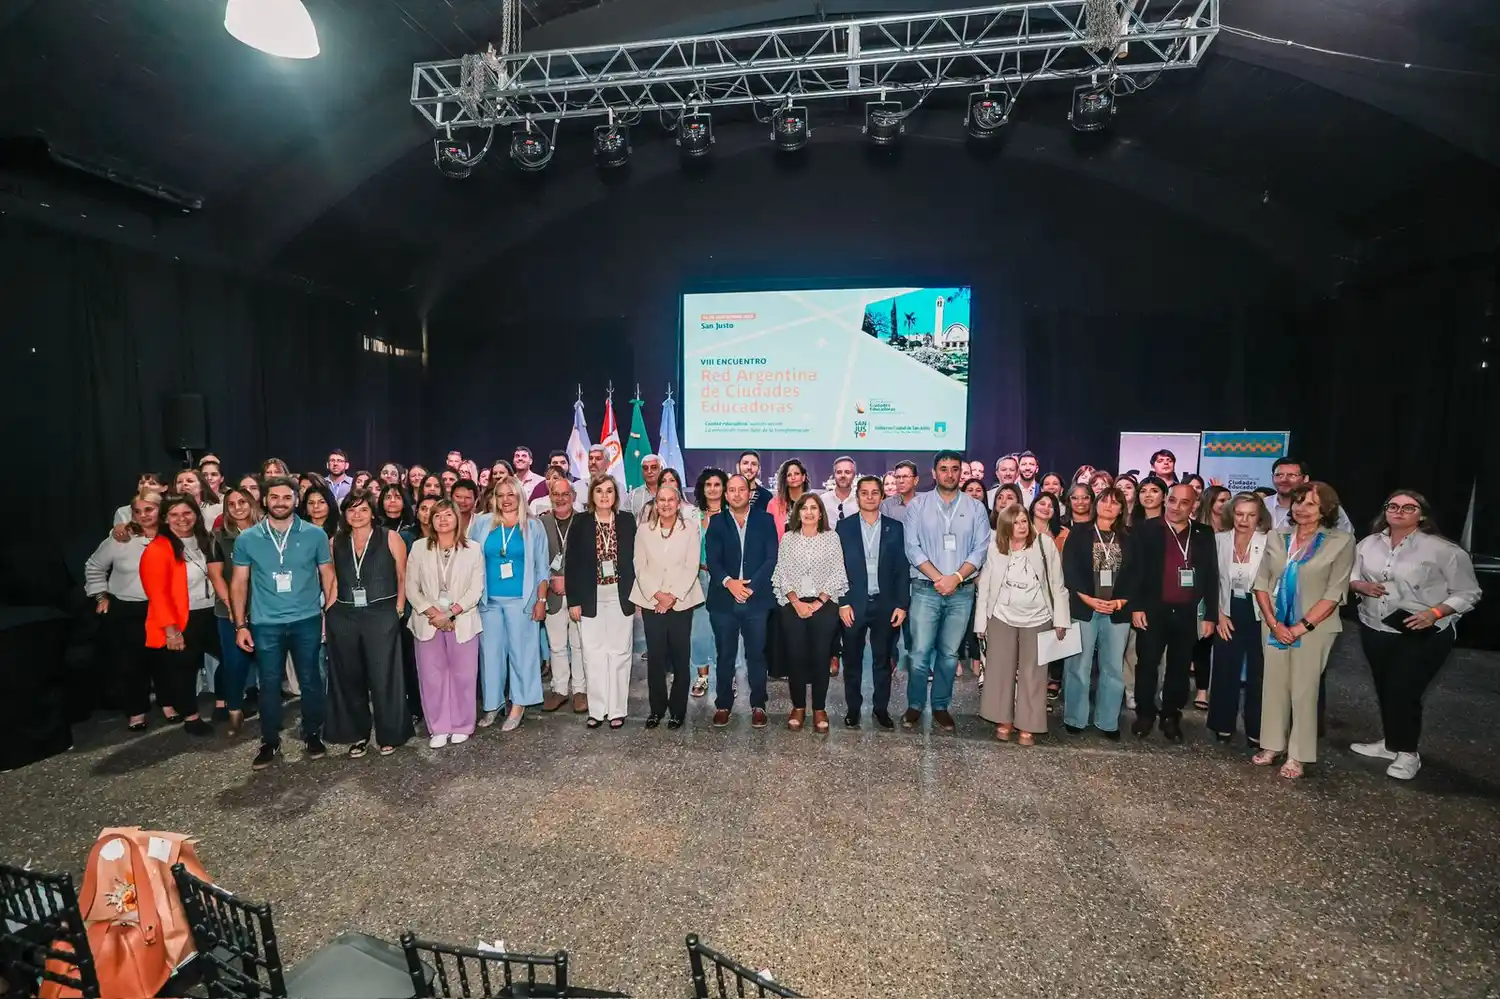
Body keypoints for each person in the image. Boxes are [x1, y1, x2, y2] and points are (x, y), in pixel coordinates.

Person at [1348, 490, 1481, 780]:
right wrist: (1360, 586)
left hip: (1422, 631)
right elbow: (1350, 576)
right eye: (1392, 506)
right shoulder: (1368, 543)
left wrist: (1435, 613)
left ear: (1421, 514)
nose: (1399, 511)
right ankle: (1391, 743)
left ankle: (1408, 754)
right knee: (1384, 686)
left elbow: (1469, 593)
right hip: (1375, 627)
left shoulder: (1443, 549)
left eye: (1408, 508)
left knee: (1404, 691)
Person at [230, 476, 336, 771]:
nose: (280, 502)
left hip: (307, 620)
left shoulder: (314, 534)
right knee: (269, 684)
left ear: (295, 500)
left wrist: (329, 614)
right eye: (274, 497)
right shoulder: (247, 538)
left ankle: (312, 733)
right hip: (266, 624)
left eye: (286, 497)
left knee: (312, 680)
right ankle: (270, 740)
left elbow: (328, 576)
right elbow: (239, 583)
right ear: (264, 500)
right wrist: (241, 625)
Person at [1251, 482, 1355, 778]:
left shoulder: (1340, 541)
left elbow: (1335, 592)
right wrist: (1273, 623)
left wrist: (1299, 628)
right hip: (1274, 624)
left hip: (1315, 628)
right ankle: (1271, 744)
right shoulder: (1277, 536)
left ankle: (1298, 754)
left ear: (1326, 509)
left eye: (1310, 503)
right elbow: (1261, 583)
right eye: (1298, 502)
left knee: (1304, 690)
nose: (1301, 508)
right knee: (1273, 685)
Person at [1119, 483, 1219, 743]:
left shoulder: (1204, 533)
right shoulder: (1145, 530)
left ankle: (1171, 715)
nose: (1175, 507)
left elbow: (1211, 576)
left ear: (1194, 505)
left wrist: (1210, 615)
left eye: (1183, 502)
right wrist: (1136, 606)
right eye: (1172, 500)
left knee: (1179, 668)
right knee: (1147, 664)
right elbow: (1134, 572)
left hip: (1187, 613)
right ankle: (1144, 714)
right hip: (1152, 610)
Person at [903, 450, 992, 732]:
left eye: (955, 469)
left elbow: (980, 550)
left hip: (961, 592)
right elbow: (912, 548)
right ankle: (915, 705)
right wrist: (940, 578)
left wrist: (954, 578)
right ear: (934, 473)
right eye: (944, 469)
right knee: (918, 654)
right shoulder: (918, 505)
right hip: (925, 589)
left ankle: (940, 706)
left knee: (949, 654)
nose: (950, 474)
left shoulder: (976, 508)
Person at [324, 490, 410, 758]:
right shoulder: (335, 542)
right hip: (345, 614)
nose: (357, 515)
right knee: (351, 677)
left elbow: (402, 575)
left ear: (373, 512)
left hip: (381, 612)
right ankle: (358, 734)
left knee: (384, 677)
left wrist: (398, 609)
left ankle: (390, 734)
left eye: (362, 509)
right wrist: (329, 615)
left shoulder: (390, 537)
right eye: (351, 510)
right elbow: (334, 581)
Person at [976, 500, 1069, 745]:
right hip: (1001, 616)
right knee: (999, 670)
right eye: (1015, 522)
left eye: (1024, 520)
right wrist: (980, 624)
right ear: (1005, 526)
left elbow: (1057, 584)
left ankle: (1028, 723)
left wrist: (1061, 619)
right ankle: (1003, 719)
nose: (1021, 526)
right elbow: (985, 585)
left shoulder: (1044, 543)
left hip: (1038, 617)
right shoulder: (995, 547)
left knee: (1034, 673)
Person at [468, 478, 548, 732]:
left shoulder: (533, 527)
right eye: (500, 494)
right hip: (488, 602)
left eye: (511, 494)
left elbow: (542, 568)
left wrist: (541, 600)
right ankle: (493, 704)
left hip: (521, 602)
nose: (505, 499)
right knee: (490, 655)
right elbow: (470, 560)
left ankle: (519, 704)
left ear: (520, 496)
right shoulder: (481, 524)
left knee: (522, 654)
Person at [406, 499, 485, 748]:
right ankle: (438, 727)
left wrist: (450, 614)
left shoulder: (473, 548)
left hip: (462, 620)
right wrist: (435, 614)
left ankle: (462, 724)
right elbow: (411, 586)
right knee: (432, 677)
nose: (442, 520)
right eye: (437, 515)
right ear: (430, 520)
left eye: (448, 515)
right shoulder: (419, 548)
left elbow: (476, 588)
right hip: (427, 622)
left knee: (463, 675)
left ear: (457, 519)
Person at [768, 493, 848, 733]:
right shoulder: (789, 539)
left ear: (821, 512)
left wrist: (818, 602)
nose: (809, 512)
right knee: (796, 656)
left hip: (824, 604)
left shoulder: (832, 538)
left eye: (814, 508)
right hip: (793, 604)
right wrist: (796, 602)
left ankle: (820, 708)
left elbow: (837, 572)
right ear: (798, 513)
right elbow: (782, 572)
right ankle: (799, 707)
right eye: (804, 508)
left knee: (821, 656)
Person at [137, 494, 216, 733]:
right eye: (174, 514)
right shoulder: (158, 549)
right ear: (165, 518)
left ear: (196, 515)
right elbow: (157, 596)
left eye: (187, 513)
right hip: (182, 619)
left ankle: (223, 703)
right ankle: (190, 717)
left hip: (211, 611)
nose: (182, 519)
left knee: (231, 656)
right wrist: (171, 631)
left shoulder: (205, 540)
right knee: (184, 669)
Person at [704, 474, 778, 728]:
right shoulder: (716, 522)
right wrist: (730, 583)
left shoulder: (765, 520)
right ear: (726, 495)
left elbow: (771, 558)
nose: (736, 494)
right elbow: (712, 561)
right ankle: (723, 704)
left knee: (756, 655)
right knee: (725, 655)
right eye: (731, 490)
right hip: (724, 600)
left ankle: (758, 704)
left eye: (741, 490)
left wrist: (750, 587)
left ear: (750, 493)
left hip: (756, 600)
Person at [565, 475, 638, 729]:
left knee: (620, 653)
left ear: (616, 496)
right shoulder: (581, 522)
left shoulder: (627, 521)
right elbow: (571, 563)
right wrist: (573, 600)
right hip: (590, 596)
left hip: (621, 595)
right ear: (592, 496)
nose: (604, 496)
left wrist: (638, 595)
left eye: (609, 491)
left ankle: (617, 709)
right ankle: (597, 710)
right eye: (599, 491)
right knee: (593, 653)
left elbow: (636, 561)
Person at [836, 475, 909, 729]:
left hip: (885, 604)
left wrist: (902, 604)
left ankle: (881, 709)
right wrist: (842, 602)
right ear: (857, 497)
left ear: (882, 496)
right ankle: (853, 709)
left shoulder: (895, 527)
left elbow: (901, 568)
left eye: (874, 493)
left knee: (882, 660)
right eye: (864, 493)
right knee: (852, 660)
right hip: (853, 604)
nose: (869, 497)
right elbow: (838, 568)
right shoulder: (843, 528)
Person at [631, 482, 704, 729]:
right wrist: (657, 594)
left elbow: (691, 565)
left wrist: (671, 596)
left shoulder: (690, 529)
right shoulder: (643, 530)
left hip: (681, 601)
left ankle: (678, 710)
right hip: (651, 600)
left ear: (678, 502)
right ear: (655, 503)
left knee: (681, 657)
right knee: (656, 658)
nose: (665, 504)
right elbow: (639, 566)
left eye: (670, 500)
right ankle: (657, 709)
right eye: (660, 500)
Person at [1060, 486, 1131, 739]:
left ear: (1122, 508)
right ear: (1096, 504)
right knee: (1078, 665)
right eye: (1104, 501)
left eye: (1115, 502)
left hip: (1117, 612)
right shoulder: (1079, 533)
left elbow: (1138, 573)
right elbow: (1069, 568)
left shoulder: (1129, 537)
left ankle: (1107, 721)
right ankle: (1075, 718)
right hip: (1083, 608)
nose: (1108, 506)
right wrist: (1088, 599)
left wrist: (1121, 601)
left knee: (1113, 668)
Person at [86, 491, 159, 731]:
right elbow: (94, 566)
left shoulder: (170, 536)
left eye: (149, 509)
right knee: (132, 663)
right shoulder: (120, 538)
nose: (143, 515)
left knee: (166, 660)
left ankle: (169, 703)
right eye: (137, 511)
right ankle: (136, 711)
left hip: (161, 607)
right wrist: (101, 595)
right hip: (127, 607)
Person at [1208, 492, 1272, 746]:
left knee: (1261, 672)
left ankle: (1257, 729)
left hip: (1261, 610)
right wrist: (1219, 614)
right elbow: (1212, 582)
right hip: (1228, 609)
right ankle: (1222, 725)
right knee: (1225, 668)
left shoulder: (1271, 541)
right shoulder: (1218, 540)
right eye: (1239, 513)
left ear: (1260, 517)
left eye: (1251, 515)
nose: (1244, 520)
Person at [206, 486, 261, 735]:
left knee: (266, 661)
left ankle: (267, 711)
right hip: (228, 610)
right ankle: (234, 709)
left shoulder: (267, 532)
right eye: (232, 504)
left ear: (252, 503)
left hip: (263, 608)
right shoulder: (218, 536)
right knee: (235, 662)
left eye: (242, 502)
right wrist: (232, 606)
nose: (238, 507)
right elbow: (216, 575)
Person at [538, 477, 588, 715]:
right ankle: (559, 690)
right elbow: (537, 558)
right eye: (556, 494)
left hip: (578, 592)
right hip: (552, 594)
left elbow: (590, 558)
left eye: (565, 494)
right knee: (556, 645)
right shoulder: (541, 522)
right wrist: (552, 578)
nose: (560, 499)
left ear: (573, 497)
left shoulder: (584, 521)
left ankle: (580, 690)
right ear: (550, 496)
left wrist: (569, 580)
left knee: (579, 644)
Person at [691, 467, 729, 699]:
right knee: (699, 631)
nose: (713, 489)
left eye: (717, 484)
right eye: (708, 485)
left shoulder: (732, 515)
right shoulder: (692, 516)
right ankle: (702, 677)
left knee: (725, 630)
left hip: (724, 580)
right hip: (697, 577)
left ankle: (729, 678)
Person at [1264, 458, 1354, 533]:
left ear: (1305, 479)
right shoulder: (1262, 505)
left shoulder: (1327, 507)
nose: (1284, 479)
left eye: (1292, 475)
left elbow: (1345, 539)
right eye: (1279, 475)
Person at [820, 456, 859, 524]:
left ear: (854, 475)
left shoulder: (861, 501)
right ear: (834, 475)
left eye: (847, 472)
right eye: (839, 472)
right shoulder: (822, 500)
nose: (843, 475)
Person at [626, 453, 664, 518]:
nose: (649, 471)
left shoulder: (671, 493)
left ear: (661, 469)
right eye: (645, 468)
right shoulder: (633, 495)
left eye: (654, 467)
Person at [573, 445, 610, 512]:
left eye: (598, 459)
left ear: (607, 464)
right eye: (590, 458)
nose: (593, 462)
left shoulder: (618, 488)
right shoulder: (576, 487)